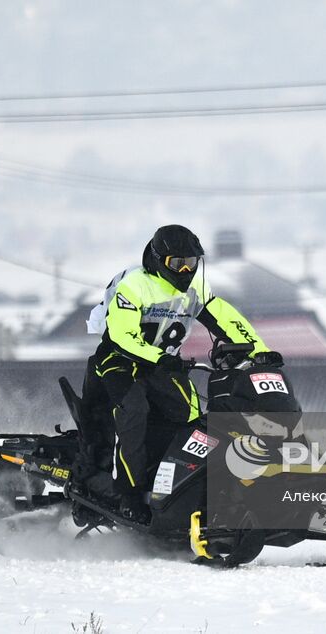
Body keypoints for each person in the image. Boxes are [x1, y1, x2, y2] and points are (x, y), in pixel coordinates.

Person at [78, 224, 282, 524]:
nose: (185, 270)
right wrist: (158, 357)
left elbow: (226, 319)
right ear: (159, 260)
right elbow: (122, 335)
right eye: (177, 263)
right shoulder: (134, 285)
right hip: (118, 360)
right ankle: (128, 494)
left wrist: (258, 352)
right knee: (133, 410)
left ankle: (177, 488)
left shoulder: (196, 290)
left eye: (192, 263)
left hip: (163, 364)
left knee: (190, 415)